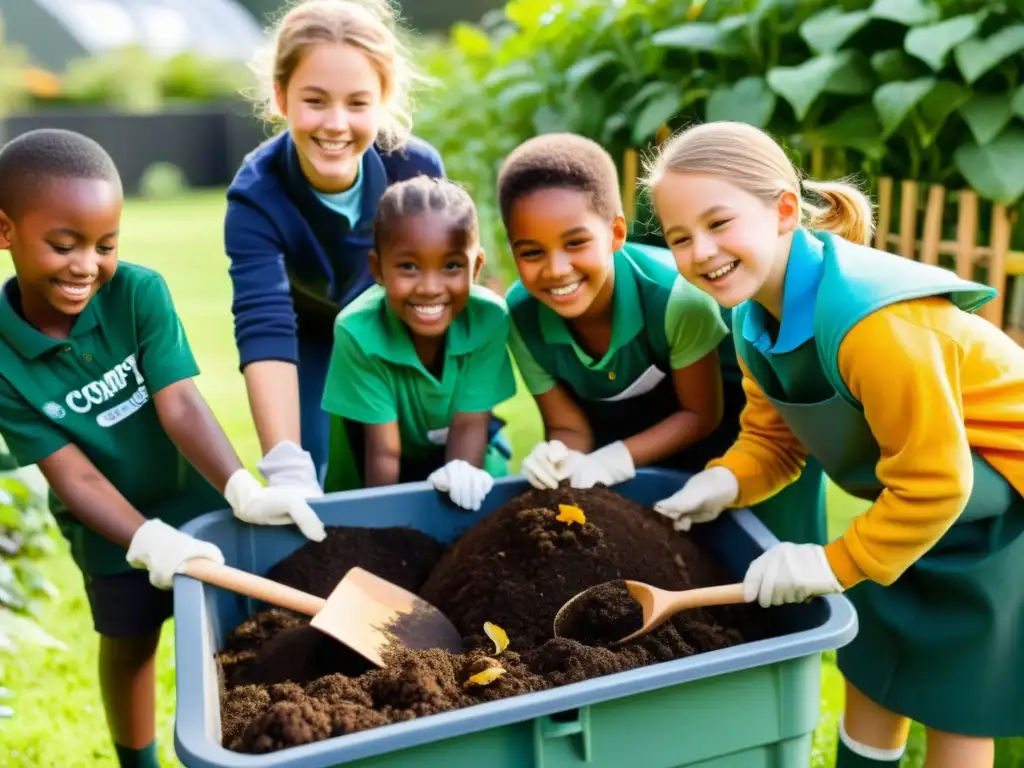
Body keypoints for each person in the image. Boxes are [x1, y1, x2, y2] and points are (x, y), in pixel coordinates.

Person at [644, 120, 1024, 767]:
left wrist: (834, 563)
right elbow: (773, 440)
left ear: (784, 210)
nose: (702, 251)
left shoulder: (876, 326)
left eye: (719, 223)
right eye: (681, 237)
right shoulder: (750, 318)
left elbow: (940, 482)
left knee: (957, 696)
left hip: (994, 502)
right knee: (876, 669)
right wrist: (726, 479)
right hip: (907, 502)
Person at [0, 128, 327, 768]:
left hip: (198, 501)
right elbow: (73, 475)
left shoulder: (137, 292)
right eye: (63, 245)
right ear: (5, 231)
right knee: (129, 640)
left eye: (105, 245)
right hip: (110, 526)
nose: (86, 266)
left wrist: (239, 487)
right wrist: (144, 539)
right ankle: (139, 762)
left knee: (238, 633)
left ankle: (259, 746)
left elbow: (177, 403)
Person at [496, 133, 826, 547]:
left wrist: (617, 459)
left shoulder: (676, 299)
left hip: (742, 427)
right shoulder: (523, 314)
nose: (557, 269)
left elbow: (702, 413)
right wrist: (562, 455)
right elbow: (567, 426)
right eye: (531, 253)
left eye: (576, 242)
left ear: (616, 233)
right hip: (639, 439)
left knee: (761, 549)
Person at [224, 0, 447, 494]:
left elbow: (444, 289)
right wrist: (285, 462)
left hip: (398, 327)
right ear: (281, 98)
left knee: (419, 460)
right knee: (312, 466)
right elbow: (264, 324)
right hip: (309, 339)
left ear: (382, 100)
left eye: (357, 103)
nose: (336, 123)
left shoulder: (413, 170)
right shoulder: (255, 196)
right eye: (316, 100)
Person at [321, 176, 516, 511]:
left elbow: (470, 423)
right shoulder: (357, 331)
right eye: (409, 266)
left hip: (465, 449)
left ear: (477, 267)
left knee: (480, 511)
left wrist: (460, 497)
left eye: (452, 266)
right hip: (373, 468)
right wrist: (384, 530)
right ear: (378, 269)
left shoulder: (489, 318)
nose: (429, 287)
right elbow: (383, 450)